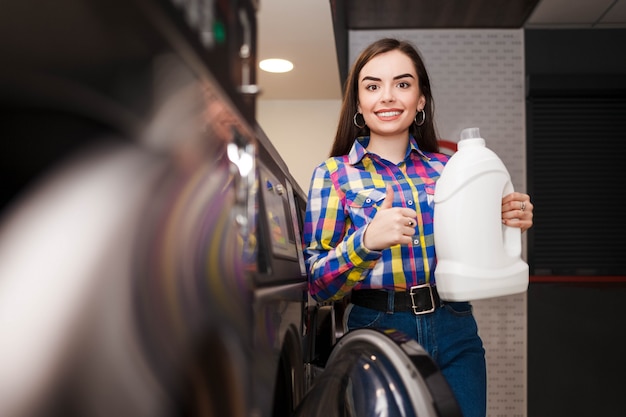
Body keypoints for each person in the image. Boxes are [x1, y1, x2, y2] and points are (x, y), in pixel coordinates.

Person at [302, 37, 533, 417]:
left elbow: (476, 246)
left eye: (403, 84)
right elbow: (317, 284)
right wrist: (366, 242)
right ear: (358, 103)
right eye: (373, 86)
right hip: (379, 330)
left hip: (455, 327)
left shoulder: (449, 168)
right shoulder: (333, 176)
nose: (388, 96)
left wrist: (508, 220)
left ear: (421, 99)